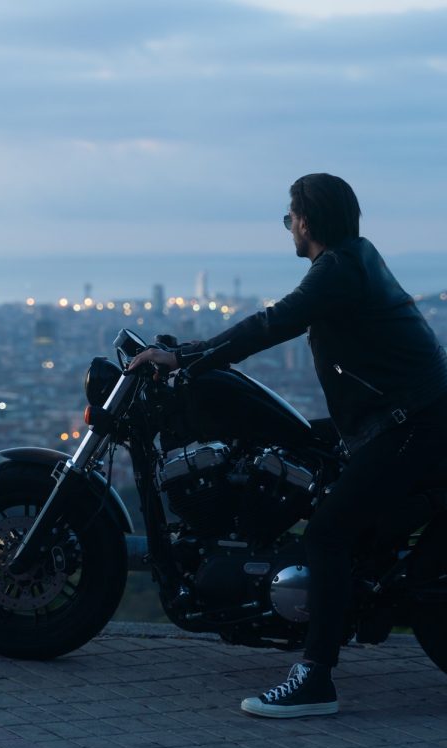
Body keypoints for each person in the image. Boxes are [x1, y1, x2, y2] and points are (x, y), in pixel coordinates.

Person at [129, 173, 447, 718]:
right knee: (294, 447)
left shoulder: (338, 270)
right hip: (397, 418)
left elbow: (271, 324)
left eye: (289, 218)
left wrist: (186, 358)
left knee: (327, 535)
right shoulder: (355, 257)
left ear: (306, 221)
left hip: (411, 424)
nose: (288, 228)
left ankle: (315, 677)